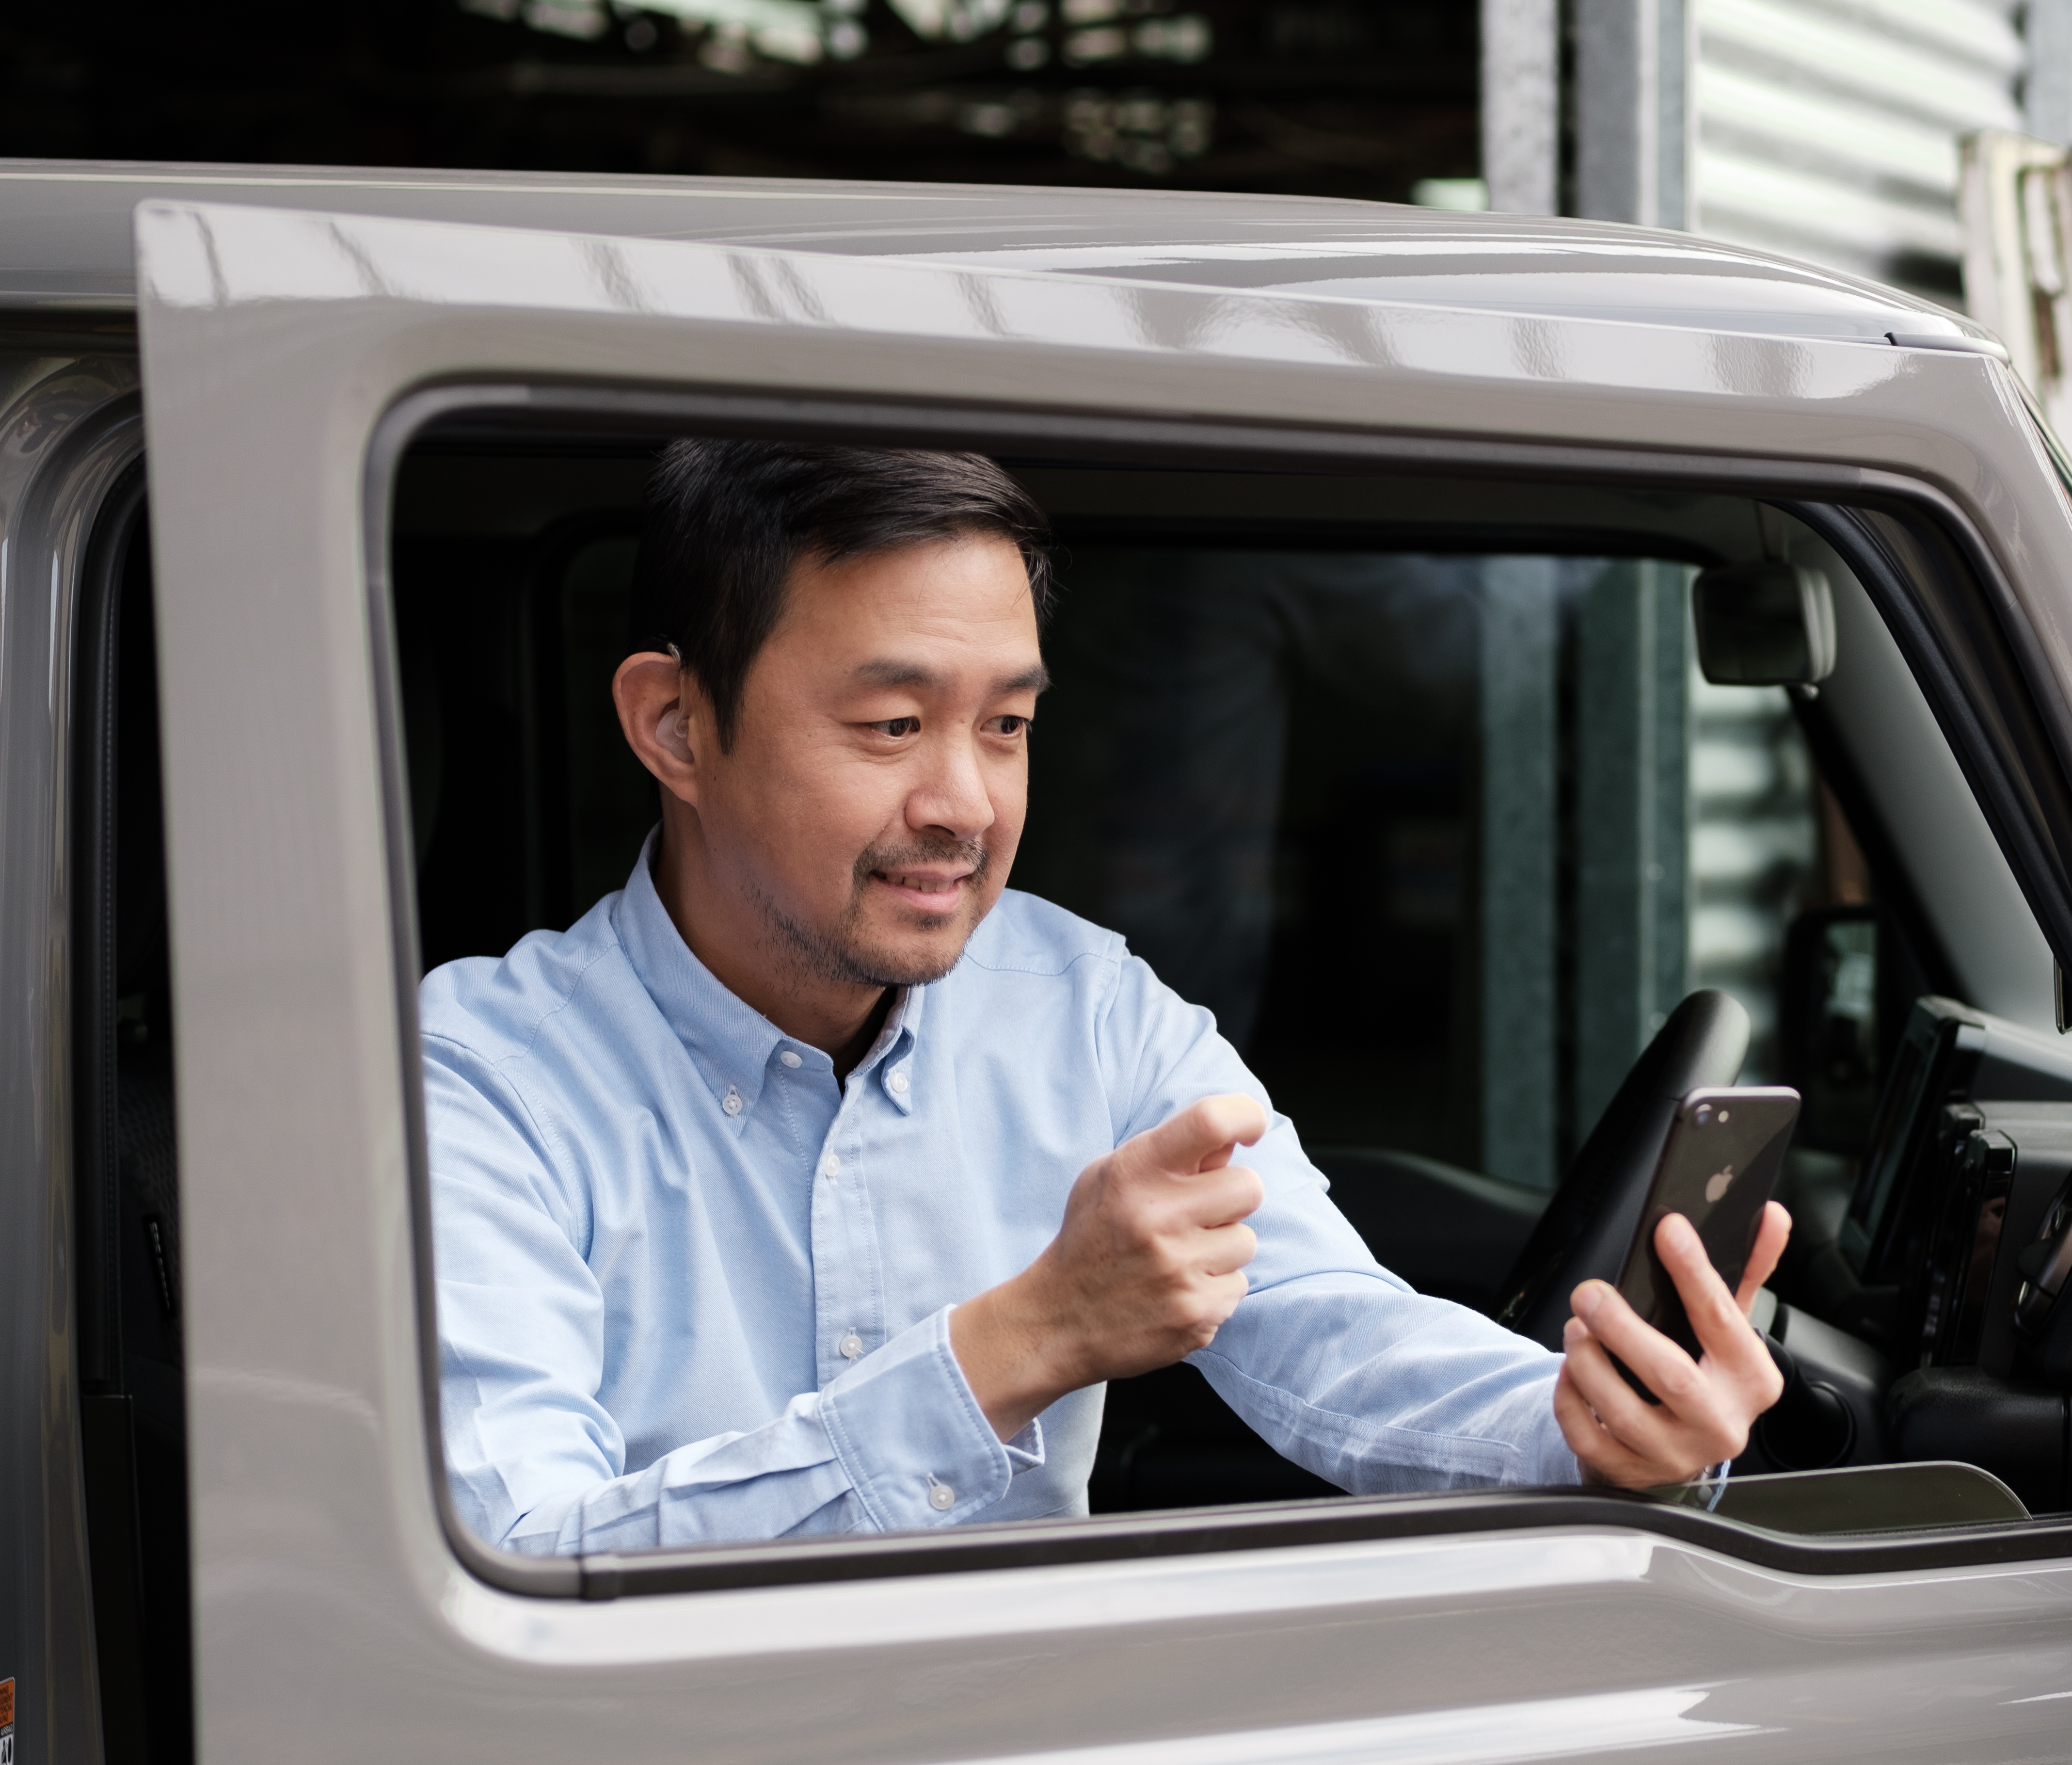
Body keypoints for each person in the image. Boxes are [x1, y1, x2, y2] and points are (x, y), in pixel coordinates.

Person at [427, 441, 1785, 1554]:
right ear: (673, 724)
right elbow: (526, 1564)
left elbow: (1333, 1330)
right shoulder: (477, 1079)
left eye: (1005, 726)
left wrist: (1592, 1426)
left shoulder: (1084, 1008)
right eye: (893, 725)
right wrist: (1022, 1340)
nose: (964, 804)